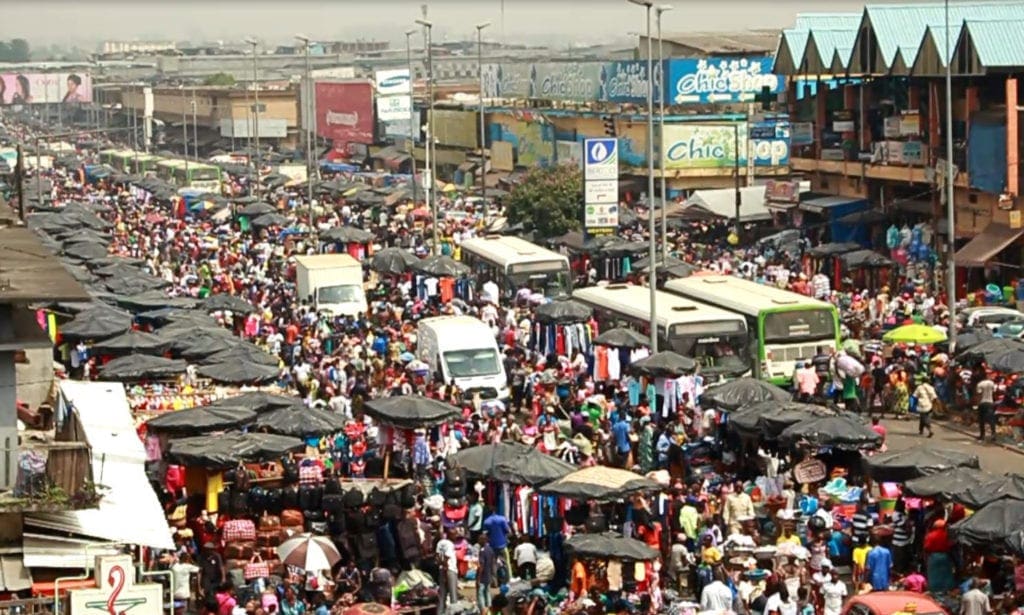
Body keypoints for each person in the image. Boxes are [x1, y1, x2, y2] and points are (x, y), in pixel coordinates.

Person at [435, 529, 458, 614]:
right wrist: (446, 571)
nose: (456, 537)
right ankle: (454, 613)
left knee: (442, 595)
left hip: (441, 570)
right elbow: (446, 559)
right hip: (450, 570)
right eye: (454, 535)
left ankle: (440, 612)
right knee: (453, 596)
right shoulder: (450, 544)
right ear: (449, 535)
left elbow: (437, 557)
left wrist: (442, 567)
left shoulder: (440, 542)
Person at [476, 533, 495, 611]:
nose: (478, 541)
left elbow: (481, 565)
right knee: (487, 592)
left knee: (480, 593)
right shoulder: (490, 549)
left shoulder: (482, 550)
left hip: (483, 576)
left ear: (483, 540)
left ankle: (483, 609)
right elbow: (493, 563)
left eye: (479, 539)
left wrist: (478, 578)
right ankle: (489, 607)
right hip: (489, 575)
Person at [977, 373, 997, 441]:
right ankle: (993, 435)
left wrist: (977, 404)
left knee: (981, 420)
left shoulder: (980, 384)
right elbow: (994, 393)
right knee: (991, 420)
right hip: (990, 402)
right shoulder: (992, 383)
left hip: (982, 402)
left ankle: (982, 435)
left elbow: (979, 394)